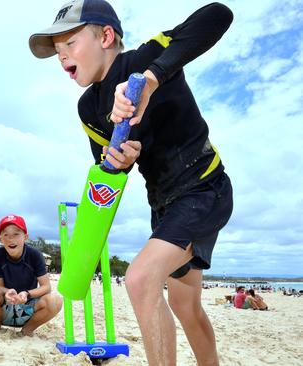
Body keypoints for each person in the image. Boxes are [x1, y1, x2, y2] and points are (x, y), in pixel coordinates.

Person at [29, 1, 233, 364]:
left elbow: (219, 15)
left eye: (70, 44)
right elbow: (107, 168)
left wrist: (153, 79)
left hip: (204, 185)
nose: (62, 57)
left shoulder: (146, 58)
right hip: (165, 205)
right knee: (185, 306)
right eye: (57, 52)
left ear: (106, 36)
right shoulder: (88, 108)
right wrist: (118, 161)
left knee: (139, 279)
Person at [0, 215, 62, 336]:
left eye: (16, 234)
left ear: (25, 237)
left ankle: (27, 331)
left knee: (55, 300)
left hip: (28, 308)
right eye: (6, 235)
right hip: (5, 307)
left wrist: (26, 293)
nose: (10, 239)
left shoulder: (35, 255)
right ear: (0, 239)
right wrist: (8, 292)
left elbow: (46, 287)